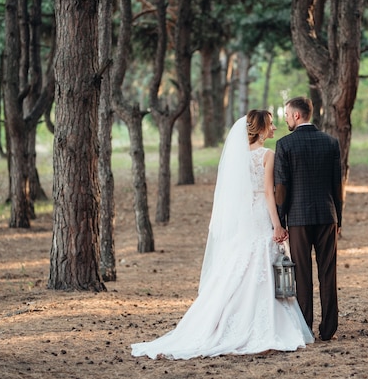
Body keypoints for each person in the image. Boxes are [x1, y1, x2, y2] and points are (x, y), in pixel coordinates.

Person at [131, 110, 314, 360]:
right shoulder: (267, 155)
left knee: (241, 265)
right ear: (260, 129)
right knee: (261, 262)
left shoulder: (238, 157)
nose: (274, 129)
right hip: (261, 215)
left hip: (244, 219)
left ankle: (223, 318)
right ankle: (263, 325)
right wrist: (278, 225)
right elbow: (269, 194)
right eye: (270, 125)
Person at [274, 96, 343, 342]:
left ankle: (305, 330)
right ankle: (329, 330)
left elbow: (281, 187)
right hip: (327, 216)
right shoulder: (331, 142)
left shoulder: (285, 145)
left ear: (296, 115)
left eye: (286, 115)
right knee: (328, 272)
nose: (285, 119)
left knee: (302, 274)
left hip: (299, 218)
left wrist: (280, 221)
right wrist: (339, 218)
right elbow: (338, 185)